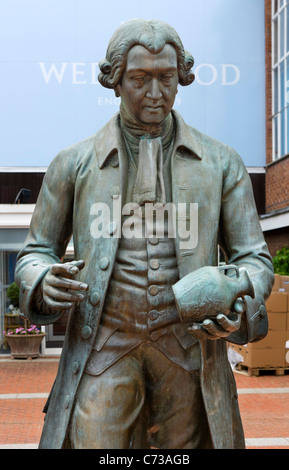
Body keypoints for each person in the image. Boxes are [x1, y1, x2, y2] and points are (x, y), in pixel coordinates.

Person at [15, 18, 274, 449]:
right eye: (140, 79)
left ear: (181, 77)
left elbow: (254, 259)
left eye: (166, 78)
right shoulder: (72, 164)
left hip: (189, 356)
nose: (156, 93)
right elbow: (35, 251)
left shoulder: (221, 163)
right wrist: (43, 279)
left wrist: (238, 299)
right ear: (115, 80)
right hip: (105, 352)